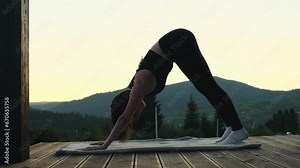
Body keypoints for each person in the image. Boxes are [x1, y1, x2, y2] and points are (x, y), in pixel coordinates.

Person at [84, 28, 248, 151]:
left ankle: (238, 129)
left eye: (133, 114)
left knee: (207, 86)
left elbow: (123, 118)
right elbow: (127, 112)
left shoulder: (138, 86)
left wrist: (105, 144)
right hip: (178, 43)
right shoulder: (136, 87)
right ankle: (231, 126)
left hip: (179, 41)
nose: (136, 115)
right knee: (205, 86)